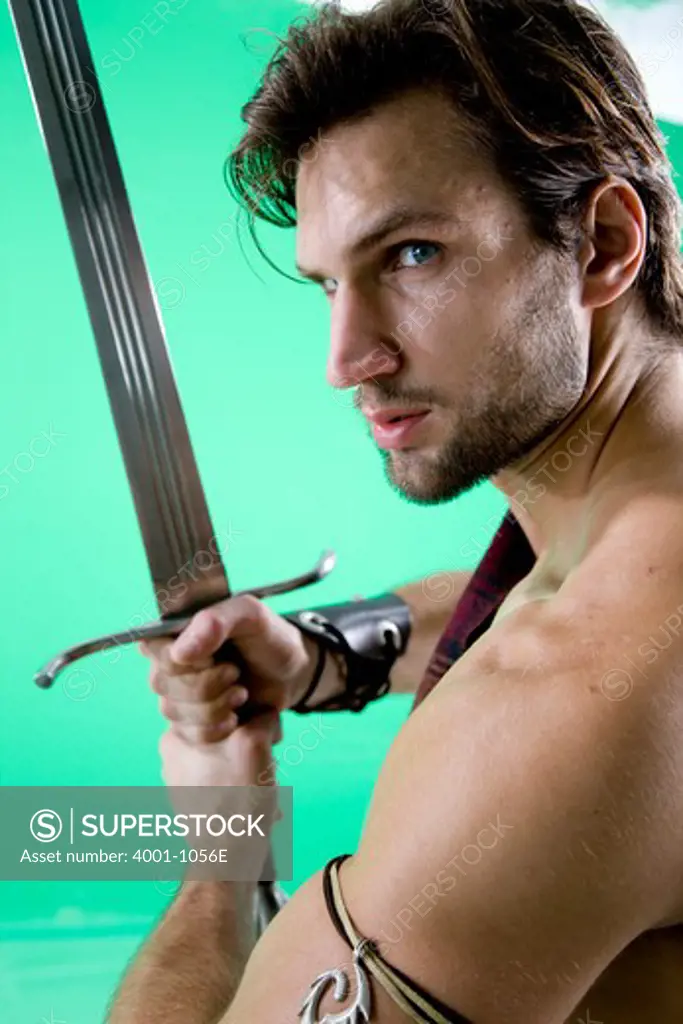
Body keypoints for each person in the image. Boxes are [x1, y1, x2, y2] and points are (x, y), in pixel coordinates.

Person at [106, 0, 683, 1020]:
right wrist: (331, 650)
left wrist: (219, 857)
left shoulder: (551, 721)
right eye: (328, 283)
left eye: (411, 254)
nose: (345, 361)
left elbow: (580, 665)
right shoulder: (637, 524)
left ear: (599, 242)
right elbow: (545, 586)